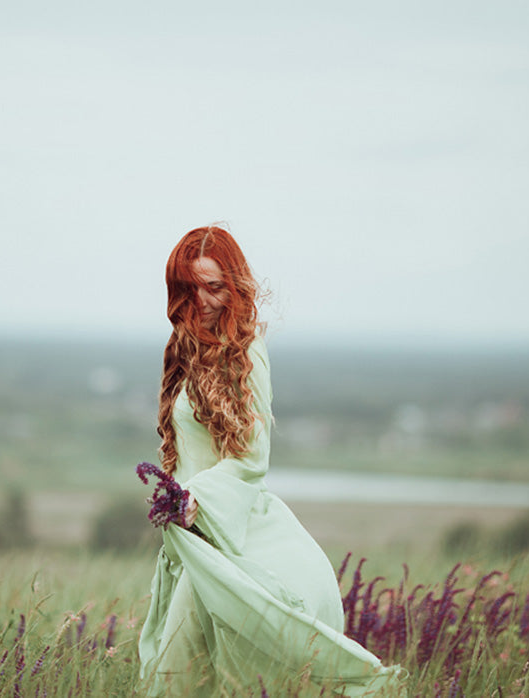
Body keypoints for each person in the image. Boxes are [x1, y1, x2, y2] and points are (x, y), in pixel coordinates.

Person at [138, 226, 402, 696]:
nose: (202, 300)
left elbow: (252, 454)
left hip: (226, 523)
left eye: (214, 287)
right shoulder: (183, 347)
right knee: (177, 673)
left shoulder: (246, 351)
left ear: (234, 286)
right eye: (190, 288)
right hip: (191, 535)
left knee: (188, 678)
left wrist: (198, 496)